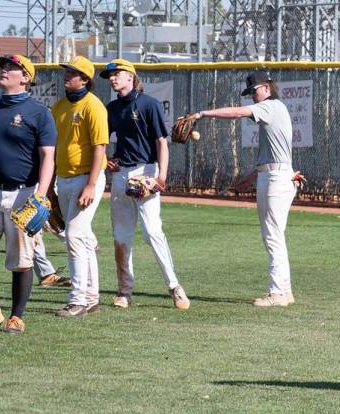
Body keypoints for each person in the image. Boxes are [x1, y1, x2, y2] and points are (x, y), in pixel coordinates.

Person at [187, 70, 303, 307]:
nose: (252, 96)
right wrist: (251, 178)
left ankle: (278, 292)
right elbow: (273, 155)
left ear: (267, 88)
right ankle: (285, 290)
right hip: (274, 175)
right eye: (249, 92)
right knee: (275, 236)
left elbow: (237, 112)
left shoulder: (271, 106)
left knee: (273, 237)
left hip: (276, 179)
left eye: (255, 90)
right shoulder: (273, 109)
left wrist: (204, 113)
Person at [100, 59, 189, 310]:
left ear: (131, 76)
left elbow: (162, 142)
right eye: (110, 75)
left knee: (152, 232)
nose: (113, 78)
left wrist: (161, 177)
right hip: (121, 175)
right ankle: (124, 291)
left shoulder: (149, 104)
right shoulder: (112, 108)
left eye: (117, 74)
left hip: (146, 171)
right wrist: (106, 159)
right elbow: (103, 140)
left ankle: (174, 287)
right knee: (121, 237)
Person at [0, 54, 57, 334]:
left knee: (21, 259)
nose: (4, 70)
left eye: (11, 67)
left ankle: (17, 315)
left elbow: (48, 156)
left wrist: (41, 195)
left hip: (23, 193)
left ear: (25, 78)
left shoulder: (39, 113)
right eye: (3, 66)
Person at [51, 56, 109, 317]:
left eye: (73, 73)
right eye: (66, 71)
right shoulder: (59, 107)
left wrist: (92, 184)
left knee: (74, 236)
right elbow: (54, 148)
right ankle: (92, 296)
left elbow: (100, 147)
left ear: (85, 79)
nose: (67, 75)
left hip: (87, 178)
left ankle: (78, 300)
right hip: (63, 178)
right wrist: (50, 185)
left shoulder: (93, 106)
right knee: (83, 239)